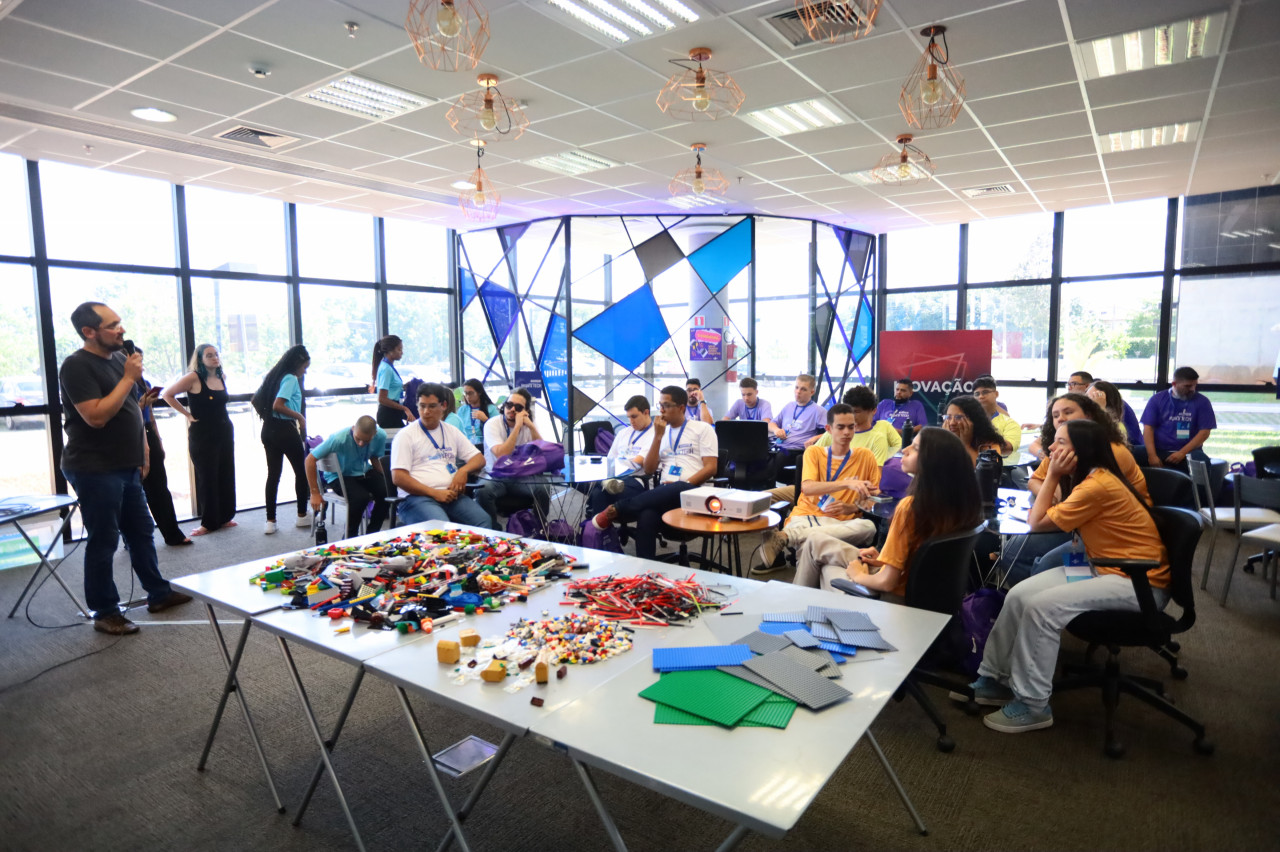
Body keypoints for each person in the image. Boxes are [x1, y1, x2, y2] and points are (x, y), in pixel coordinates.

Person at [967, 418, 1171, 734]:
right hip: (1105, 565)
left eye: (1060, 443)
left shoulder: (1096, 486)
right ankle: (996, 679)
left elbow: (1035, 522)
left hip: (1139, 580)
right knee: (1020, 594)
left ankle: (1033, 706)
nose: (1051, 447)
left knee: (1041, 608)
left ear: (1081, 451)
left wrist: (1052, 474)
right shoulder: (1089, 479)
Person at [58, 301, 191, 635]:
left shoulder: (120, 359)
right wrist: (129, 377)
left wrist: (143, 449)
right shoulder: (76, 366)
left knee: (141, 531)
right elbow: (96, 416)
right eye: (112, 325)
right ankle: (105, 611)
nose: (122, 329)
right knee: (104, 539)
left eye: (120, 322)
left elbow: (132, 406)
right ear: (89, 332)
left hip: (128, 464)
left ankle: (158, 592)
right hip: (94, 468)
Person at [793, 427, 981, 595]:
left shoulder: (910, 507)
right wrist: (884, 559)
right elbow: (921, 560)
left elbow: (887, 582)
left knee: (828, 567)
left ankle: (796, 605)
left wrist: (858, 575)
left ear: (933, 461)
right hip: (920, 590)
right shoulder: (963, 504)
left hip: (894, 599)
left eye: (915, 448)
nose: (905, 450)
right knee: (815, 541)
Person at [999, 393, 1147, 585]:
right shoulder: (1062, 447)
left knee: (1042, 566)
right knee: (1012, 553)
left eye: (1068, 412)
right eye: (1055, 415)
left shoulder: (1111, 452)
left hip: (1107, 533)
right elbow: (1034, 480)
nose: (1060, 418)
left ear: (1089, 416)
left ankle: (1055, 594)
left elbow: (1078, 501)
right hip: (1075, 522)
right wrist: (1054, 492)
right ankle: (1042, 595)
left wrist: (1054, 484)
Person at [590, 385, 718, 559]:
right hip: (664, 495)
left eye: (666, 405)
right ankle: (645, 567)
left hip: (694, 492)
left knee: (678, 486)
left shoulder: (702, 429)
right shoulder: (660, 433)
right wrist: (658, 437)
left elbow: (711, 467)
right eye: (660, 405)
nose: (661, 410)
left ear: (681, 407)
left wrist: (685, 484)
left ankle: (619, 508)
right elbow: (649, 469)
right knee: (646, 516)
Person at [756, 403, 880, 573]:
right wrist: (846, 483)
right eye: (841, 427)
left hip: (842, 523)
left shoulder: (865, 456)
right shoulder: (814, 452)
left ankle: (785, 537)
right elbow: (807, 488)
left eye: (851, 427)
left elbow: (875, 497)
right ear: (829, 429)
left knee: (869, 527)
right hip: (807, 516)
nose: (847, 432)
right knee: (812, 546)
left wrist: (852, 507)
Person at [163, 343, 237, 537]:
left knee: (225, 472)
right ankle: (209, 522)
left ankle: (225, 516)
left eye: (216, 354)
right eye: (209, 355)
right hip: (203, 433)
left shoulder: (221, 376)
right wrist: (187, 415)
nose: (214, 358)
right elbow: (167, 395)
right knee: (207, 476)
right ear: (201, 359)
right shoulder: (193, 377)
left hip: (224, 430)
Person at [391, 382, 489, 526]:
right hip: (416, 498)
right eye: (422, 406)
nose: (426, 412)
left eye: (432, 406)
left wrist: (463, 471)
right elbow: (398, 477)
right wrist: (434, 493)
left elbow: (479, 459)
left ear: (443, 405)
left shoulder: (451, 430)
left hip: (450, 495)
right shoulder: (405, 435)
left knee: (484, 522)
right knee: (442, 529)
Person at [131, 346, 189, 547]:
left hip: (147, 431)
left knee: (160, 488)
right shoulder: (121, 385)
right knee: (133, 490)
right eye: (136, 360)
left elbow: (150, 414)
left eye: (141, 360)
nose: (140, 365)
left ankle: (172, 534)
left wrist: (157, 438)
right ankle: (130, 538)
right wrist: (140, 404)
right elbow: (126, 413)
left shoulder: (144, 383)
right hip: (130, 436)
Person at [251, 344, 311, 535]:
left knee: (273, 474)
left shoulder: (274, 377)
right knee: (301, 471)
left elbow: (255, 400)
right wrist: (300, 417)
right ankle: (302, 515)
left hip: (268, 430)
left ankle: (270, 521)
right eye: (304, 367)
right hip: (285, 429)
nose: (304, 372)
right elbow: (278, 404)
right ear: (296, 364)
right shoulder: (291, 378)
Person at [476, 387, 551, 528]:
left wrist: (531, 427)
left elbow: (543, 453)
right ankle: (493, 529)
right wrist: (517, 427)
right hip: (495, 475)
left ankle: (539, 528)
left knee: (544, 487)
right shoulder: (492, 424)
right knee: (482, 490)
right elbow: (501, 454)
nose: (512, 409)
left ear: (526, 411)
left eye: (518, 407)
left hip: (521, 476)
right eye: (509, 405)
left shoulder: (529, 425)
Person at [306, 415, 389, 536]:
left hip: (363, 471)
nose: (361, 444)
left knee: (386, 492)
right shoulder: (338, 439)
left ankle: (372, 534)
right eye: (358, 438)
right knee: (360, 498)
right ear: (353, 428)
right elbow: (309, 460)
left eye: (366, 441)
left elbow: (374, 458)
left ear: (374, 434)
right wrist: (314, 493)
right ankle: (350, 537)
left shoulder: (380, 436)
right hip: (339, 476)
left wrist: (388, 477)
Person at [1142, 366, 1216, 472]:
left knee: (1201, 462)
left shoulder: (1202, 402)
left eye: (1194, 385)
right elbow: (1148, 428)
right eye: (1187, 386)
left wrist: (1182, 453)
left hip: (1189, 452)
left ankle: (1200, 484)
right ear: (1174, 384)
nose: (1192, 389)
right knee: (1133, 454)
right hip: (1159, 450)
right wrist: (1152, 455)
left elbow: (1204, 432)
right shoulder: (1157, 399)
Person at [814, 386, 901, 464]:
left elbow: (899, 448)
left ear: (873, 411)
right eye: (848, 411)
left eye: (856, 412)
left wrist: (884, 456)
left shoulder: (881, 433)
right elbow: (813, 456)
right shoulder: (833, 433)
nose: (851, 415)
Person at [941, 395, 1005, 464]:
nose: (952, 423)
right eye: (948, 417)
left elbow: (981, 469)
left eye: (958, 417)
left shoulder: (989, 444)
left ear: (974, 419)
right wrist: (947, 440)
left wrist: (966, 445)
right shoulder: (940, 441)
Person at [372, 335, 415, 428]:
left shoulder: (388, 366)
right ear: (390, 351)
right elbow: (382, 399)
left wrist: (404, 387)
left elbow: (391, 388)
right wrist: (405, 408)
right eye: (399, 349)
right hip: (388, 414)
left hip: (394, 412)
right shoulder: (386, 369)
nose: (402, 352)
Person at [604, 395, 656, 473]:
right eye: (628, 417)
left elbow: (638, 462)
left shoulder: (655, 434)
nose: (631, 421)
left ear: (646, 412)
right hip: (618, 474)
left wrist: (619, 465)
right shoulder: (623, 432)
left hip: (637, 476)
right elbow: (610, 459)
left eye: (634, 416)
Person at [972, 376, 1020, 457]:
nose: (980, 396)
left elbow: (1008, 448)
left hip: (999, 464)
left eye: (985, 392)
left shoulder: (1010, 423)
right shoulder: (967, 420)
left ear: (996, 394)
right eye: (977, 394)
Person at [1086, 379, 1142, 446]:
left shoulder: (1117, 427)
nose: (1086, 402)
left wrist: (1101, 408)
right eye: (1086, 397)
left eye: (1092, 398)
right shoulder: (1085, 421)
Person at [458, 378, 499, 449]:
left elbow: (499, 430)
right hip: (466, 447)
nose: (468, 396)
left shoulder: (491, 409)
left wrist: (486, 420)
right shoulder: (462, 410)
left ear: (479, 393)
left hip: (486, 446)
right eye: (465, 393)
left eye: (471, 393)